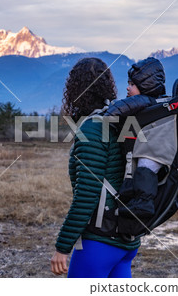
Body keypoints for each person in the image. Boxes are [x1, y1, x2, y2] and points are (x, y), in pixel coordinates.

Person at [50, 57, 166, 278]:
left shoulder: (93, 128)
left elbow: (87, 195)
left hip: (100, 243)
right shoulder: (120, 119)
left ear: (76, 90)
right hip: (126, 243)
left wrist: (62, 248)